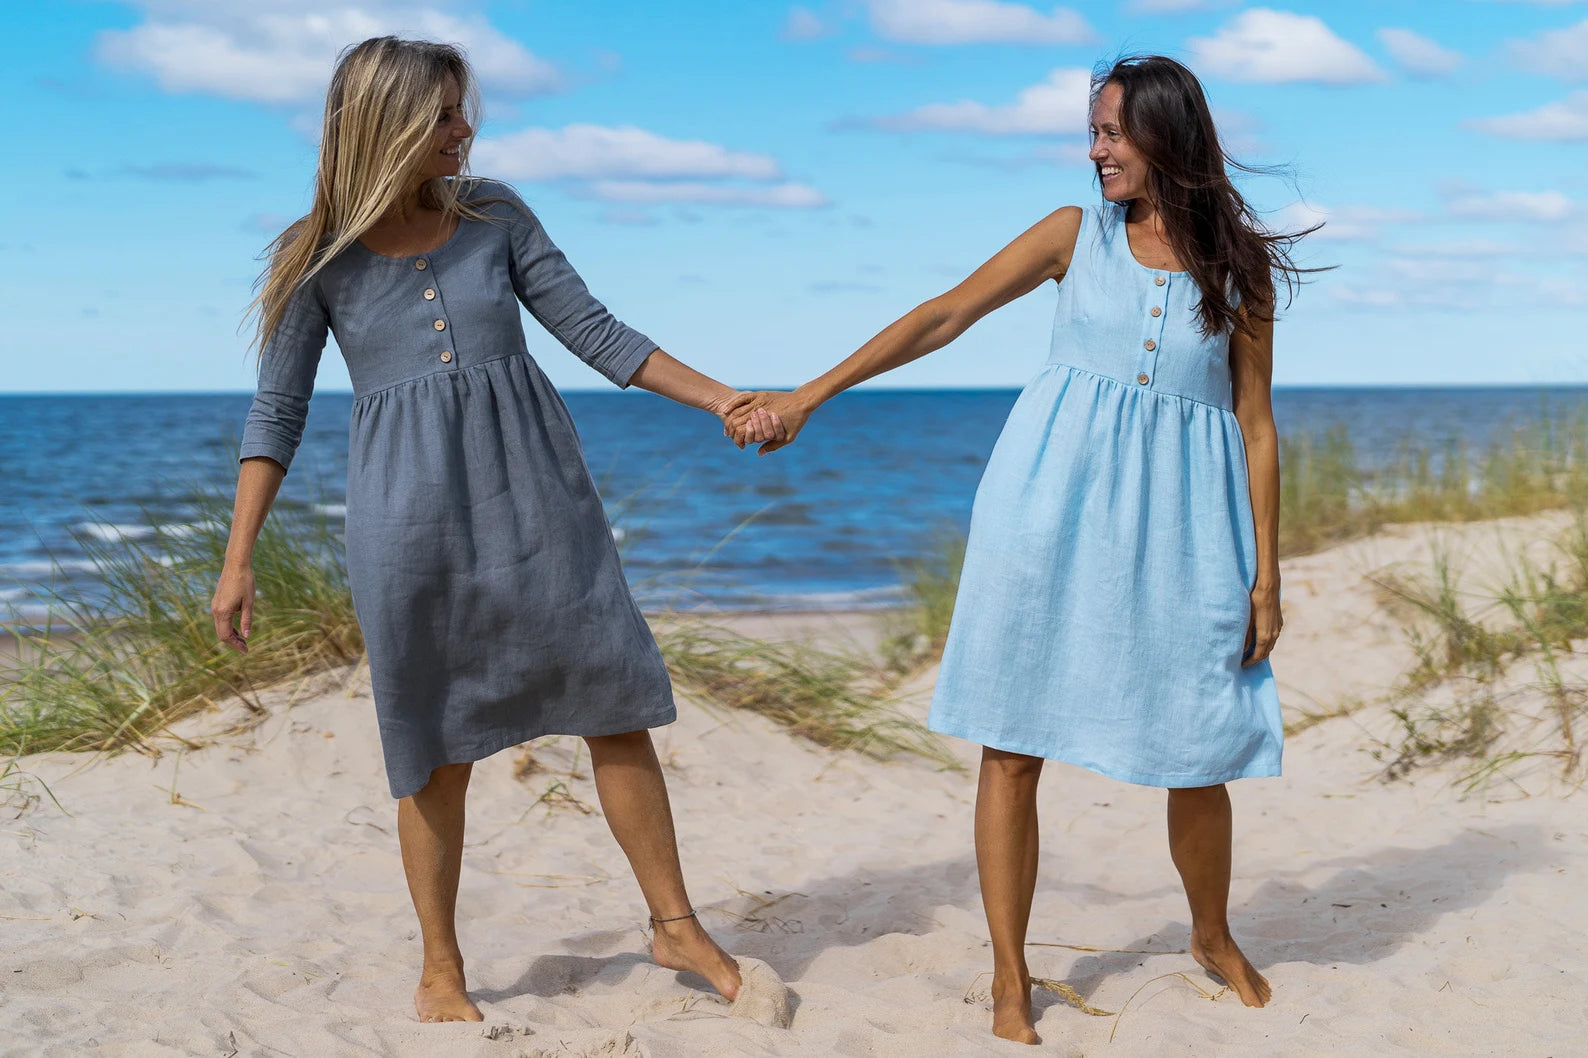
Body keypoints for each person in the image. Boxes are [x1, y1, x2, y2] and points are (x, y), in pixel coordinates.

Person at [728, 55, 1316, 1045]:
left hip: (1183, 527)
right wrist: (807, 395)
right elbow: (942, 315)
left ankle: (1209, 935)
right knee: (1012, 748)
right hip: (1048, 508)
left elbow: (1254, 424)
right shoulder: (1071, 235)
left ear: (1166, 135)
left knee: (1198, 744)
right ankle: (1009, 973)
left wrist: (1267, 573)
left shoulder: (1238, 267)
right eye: (1092, 132)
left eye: (1111, 133)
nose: (1095, 152)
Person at [210, 36, 782, 1024]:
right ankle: (440, 965)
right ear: (384, 126)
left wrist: (725, 397)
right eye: (440, 115)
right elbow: (278, 413)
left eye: (458, 110)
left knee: (615, 700)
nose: (463, 129)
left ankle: (675, 921)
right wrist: (238, 558)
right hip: (407, 522)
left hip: (538, 500)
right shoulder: (317, 259)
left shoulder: (497, 217)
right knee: (431, 742)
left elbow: (597, 332)